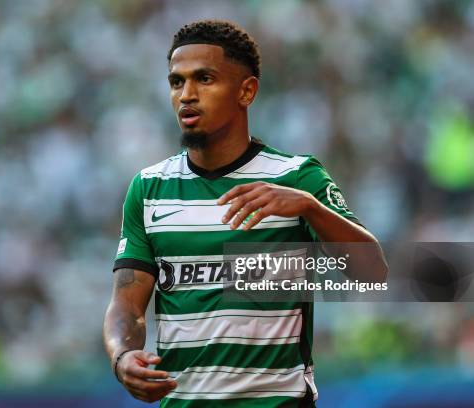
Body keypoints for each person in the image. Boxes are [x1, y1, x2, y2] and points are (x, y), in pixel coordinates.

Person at [103, 19, 387, 407]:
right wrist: (122, 356)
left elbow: (372, 272)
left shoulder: (296, 177)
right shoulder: (149, 188)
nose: (186, 95)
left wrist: (309, 207)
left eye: (204, 79)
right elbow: (127, 303)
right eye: (176, 82)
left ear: (246, 90)